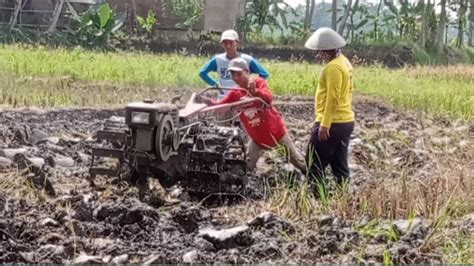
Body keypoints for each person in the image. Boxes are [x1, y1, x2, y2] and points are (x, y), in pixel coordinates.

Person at [200, 58, 306, 174]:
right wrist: (208, 102)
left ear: (246, 71)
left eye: (238, 74)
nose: (235, 77)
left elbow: (268, 99)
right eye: (233, 74)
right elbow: (220, 107)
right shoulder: (235, 93)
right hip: (257, 139)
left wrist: (255, 91)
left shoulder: (258, 82)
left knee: (299, 162)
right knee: (246, 167)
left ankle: (314, 179)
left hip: (276, 134)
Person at [304, 27, 355, 188]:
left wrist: (325, 125)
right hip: (345, 121)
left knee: (314, 163)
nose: (319, 54)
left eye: (321, 51)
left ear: (328, 50)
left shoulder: (333, 68)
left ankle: (319, 199)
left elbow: (333, 98)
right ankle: (343, 196)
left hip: (332, 122)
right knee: (339, 164)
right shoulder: (344, 62)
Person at [199, 29, 270, 98]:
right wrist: (215, 84)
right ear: (222, 45)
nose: (228, 46)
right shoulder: (217, 60)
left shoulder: (247, 60)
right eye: (225, 43)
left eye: (231, 42)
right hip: (224, 97)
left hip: (243, 98)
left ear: (237, 43)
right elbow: (202, 73)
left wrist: (253, 82)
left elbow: (264, 74)